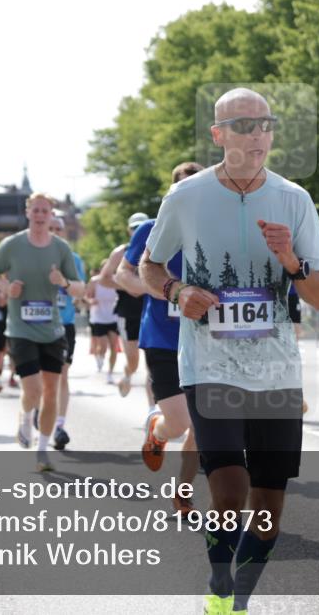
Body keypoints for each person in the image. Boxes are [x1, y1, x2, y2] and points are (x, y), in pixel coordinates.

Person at [140, 88, 319, 615]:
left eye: (265, 123)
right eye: (243, 124)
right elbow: (150, 266)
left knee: (268, 508)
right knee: (228, 493)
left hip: (275, 370)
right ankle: (220, 594)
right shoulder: (186, 197)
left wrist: (292, 261)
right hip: (210, 365)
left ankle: (238, 601)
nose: (256, 133)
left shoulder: (294, 199)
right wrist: (178, 292)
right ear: (218, 135)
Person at [116, 161, 203, 518]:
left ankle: (183, 492)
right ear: (171, 193)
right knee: (180, 423)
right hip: (163, 340)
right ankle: (157, 428)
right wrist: (160, 290)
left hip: (205, 340)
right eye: (181, 187)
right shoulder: (153, 229)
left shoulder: (215, 231)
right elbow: (124, 273)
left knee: (203, 422)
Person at [0, 193, 84, 472]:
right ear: (28, 212)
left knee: (51, 392)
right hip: (20, 329)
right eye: (36, 210)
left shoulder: (61, 249)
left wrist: (62, 281)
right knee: (33, 389)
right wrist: (5, 288)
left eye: (46, 211)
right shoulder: (12, 245)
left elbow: (79, 289)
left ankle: (42, 451)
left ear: (52, 215)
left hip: (53, 329)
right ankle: (26, 417)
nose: (41, 215)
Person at [99, 213, 149, 397]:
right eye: (135, 228)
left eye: (142, 227)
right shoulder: (121, 252)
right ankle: (127, 373)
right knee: (134, 361)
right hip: (128, 312)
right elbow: (103, 279)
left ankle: (152, 411)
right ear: (129, 230)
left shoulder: (158, 248)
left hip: (151, 310)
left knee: (153, 364)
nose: (138, 231)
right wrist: (127, 284)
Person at [49, 214, 87, 450]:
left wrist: (63, 282)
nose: (54, 231)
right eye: (49, 227)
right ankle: (40, 410)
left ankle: (59, 426)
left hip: (65, 325)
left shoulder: (73, 259)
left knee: (62, 375)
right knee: (43, 380)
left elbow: (79, 293)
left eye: (58, 228)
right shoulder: (32, 257)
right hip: (36, 326)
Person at [86, 261, 120, 384]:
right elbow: (87, 296)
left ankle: (110, 373)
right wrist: (91, 301)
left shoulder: (117, 281)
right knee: (103, 347)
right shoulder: (95, 281)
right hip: (99, 318)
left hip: (113, 317)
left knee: (114, 347)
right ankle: (99, 357)